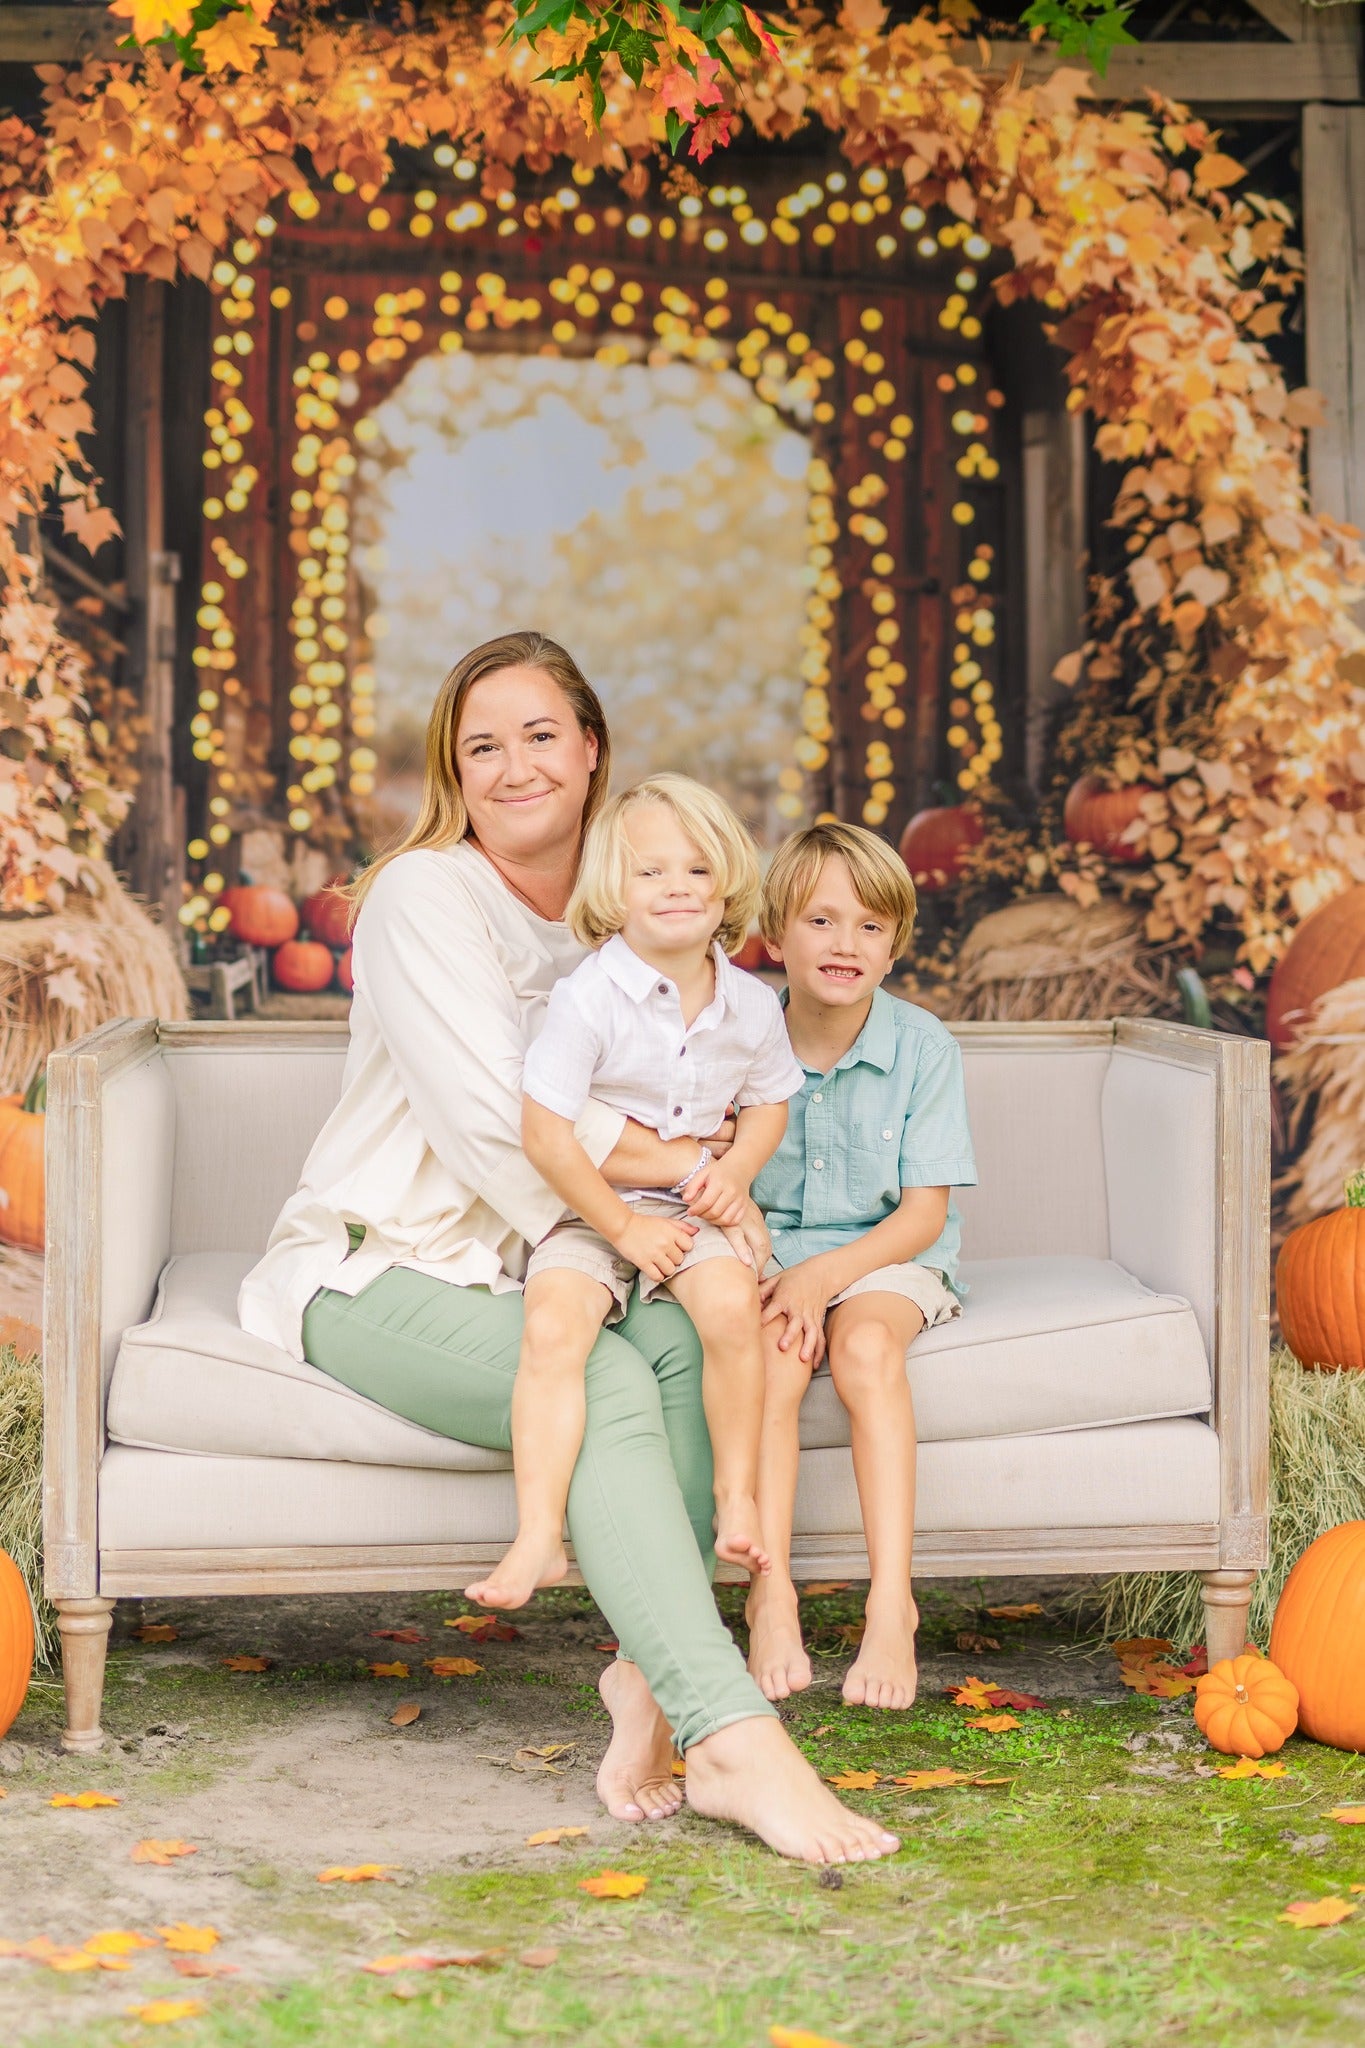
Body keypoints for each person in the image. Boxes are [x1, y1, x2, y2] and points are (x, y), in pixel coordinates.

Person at [237, 632, 899, 1865]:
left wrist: (724, 1190)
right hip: (383, 1262)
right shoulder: (427, 895)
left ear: (591, 749)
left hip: (554, 1251)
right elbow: (500, 1122)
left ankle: (644, 1684)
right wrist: (672, 1173)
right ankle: (735, 1739)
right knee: (599, 1374)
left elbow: (731, 1077)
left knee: (711, 1325)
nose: (513, 765)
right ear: (454, 770)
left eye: (541, 734)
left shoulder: (628, 917)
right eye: (481, 745)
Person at [466, 775, 804, 1611]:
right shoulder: (587, 998)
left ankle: (736, 1496)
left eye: (695, 869)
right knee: (553, 1327)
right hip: (592, 1209)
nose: (676, 888)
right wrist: (619, 1228)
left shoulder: (752, 1005)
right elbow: (546, 1133)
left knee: (730, 1311)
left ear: (725, 879)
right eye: (649, 872)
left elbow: (769, 1104)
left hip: (694, 1209)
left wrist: (733, 1174)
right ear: (611, 891)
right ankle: (539, 1534)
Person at [745, 821, 978, 1712]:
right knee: (768, 1358)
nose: (846, 943)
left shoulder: (923, 1048)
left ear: (892, 949)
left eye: (870, 927)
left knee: (866, 1352)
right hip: (773, 1255)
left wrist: (824, 1278)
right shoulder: (741, 1044)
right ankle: (771, 1593)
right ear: (776, 936)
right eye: (822, 920)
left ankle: (892, 1604)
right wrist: (778, 1271)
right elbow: (722, 1187)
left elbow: (922, 1216)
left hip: (891, 1256)